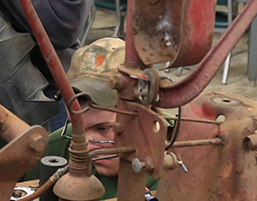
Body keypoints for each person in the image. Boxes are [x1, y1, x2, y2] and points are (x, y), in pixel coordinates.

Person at [22, 38, 160, 199]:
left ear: (144, 115)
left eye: (103, 129)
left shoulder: (181, 167)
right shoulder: (55, 150)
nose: (86, 145)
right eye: (78, 127)